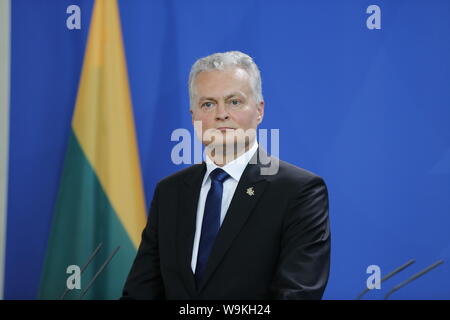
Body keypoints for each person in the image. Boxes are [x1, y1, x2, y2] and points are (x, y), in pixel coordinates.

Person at [121, 51, 330, 299]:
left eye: (234, 102)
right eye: (208, 104)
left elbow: (297, 295)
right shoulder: (169, 192)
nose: (221, 114)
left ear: (259, 110)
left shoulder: (299, 191)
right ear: (194, 117)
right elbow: (140, 293)